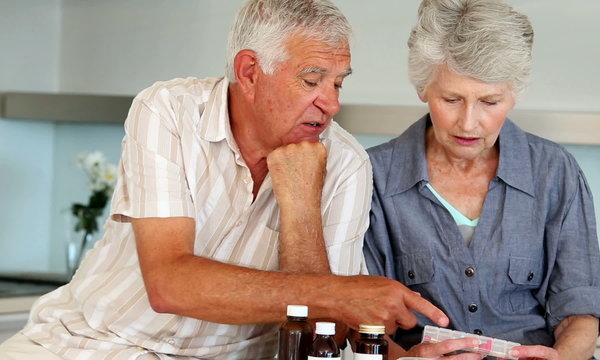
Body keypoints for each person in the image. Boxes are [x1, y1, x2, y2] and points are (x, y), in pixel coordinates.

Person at [0, 1, 449, 359]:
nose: (330, 104)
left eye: (338, 84)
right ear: (250, 71)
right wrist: (342, 293)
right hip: (83, 344)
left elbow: (321, 329)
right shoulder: (169, 110)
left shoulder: (346, 162)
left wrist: (300, 207)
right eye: (313, 80)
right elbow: (169, 284)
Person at [363, 0, 600, 359]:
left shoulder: (555, 171)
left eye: (490, 101)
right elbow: (361, 322)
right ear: (423, 89)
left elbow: (580, 307)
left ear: (515, 94)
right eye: (451, 99)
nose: (468, 123)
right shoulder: (373, 177)